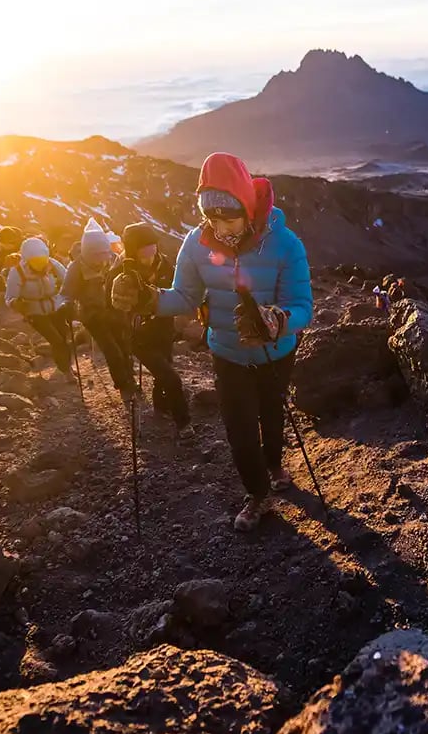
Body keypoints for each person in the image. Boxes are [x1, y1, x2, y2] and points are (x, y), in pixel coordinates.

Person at [110, 152, 312, 532]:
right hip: (227, 353)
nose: (220, 228)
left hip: (276, 352)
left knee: (271, 414)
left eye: (228, 217)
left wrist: (278, 321)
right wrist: (147, 299)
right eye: (212, 218)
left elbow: (302, 306)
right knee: (238, 429)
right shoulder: (196, 244)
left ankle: (274, 463)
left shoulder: (285, 244)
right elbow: (184, 297)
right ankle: (259, 493)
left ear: (247, 207)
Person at [110, 222, 192, 439]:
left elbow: (178, 291)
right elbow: (112, 304)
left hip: (165, 330)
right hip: (139, 337)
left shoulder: (164, 265)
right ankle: (183, 423)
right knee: (171, 377)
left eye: (153, 250)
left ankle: (160, 406)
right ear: (132, 251)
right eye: (144, 253)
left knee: (163, 372)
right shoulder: (121, 273)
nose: (150, 257)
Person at [62, 219, 136, 399]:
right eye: (97, 256)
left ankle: (129, 378)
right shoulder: (76, 268)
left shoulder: (112, 261)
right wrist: (67, 306)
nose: (101, 260)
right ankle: (124, 385)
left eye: (104, 254)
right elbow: (66, 293)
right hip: (92, 315)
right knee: (112, 350)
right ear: (88, 253)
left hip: (115, 310)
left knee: (125, 346)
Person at [5, 236, 74, 382]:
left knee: (63, 337)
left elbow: (69, 280)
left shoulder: (52, 265)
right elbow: (10, 296)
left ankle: (66, 366)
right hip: (34, 312)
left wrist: (69, 297)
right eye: (36, 261)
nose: (41, 264)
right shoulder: (17, 272)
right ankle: (67, 371)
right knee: (56, 340)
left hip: (56, 307)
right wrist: (16, 303)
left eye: (43, 260)